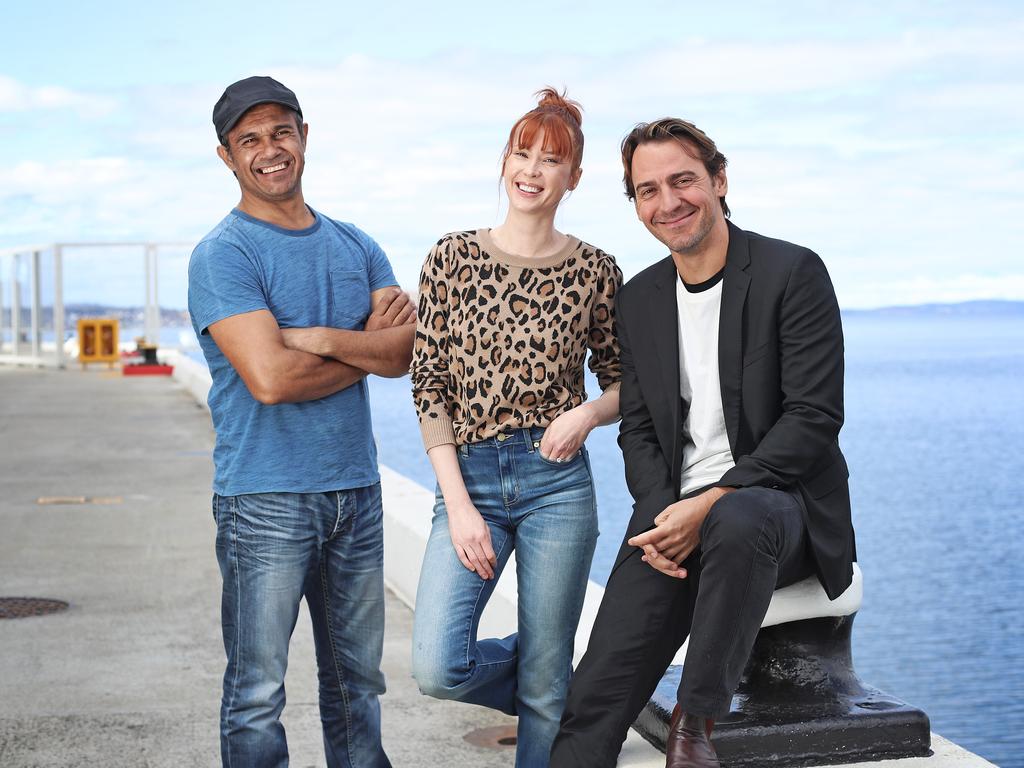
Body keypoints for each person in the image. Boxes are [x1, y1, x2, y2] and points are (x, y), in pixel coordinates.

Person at [549, 118, 855, 768]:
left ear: (718, 180)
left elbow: (813, 419)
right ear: (634, 204)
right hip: (675, 516)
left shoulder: (791, 272)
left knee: (739, 516)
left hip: (780, 511)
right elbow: (637, 429)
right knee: (592, 706)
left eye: (683, 180)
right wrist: (666, 512)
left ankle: (695, 724)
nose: (668, 202)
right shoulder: (638, 300)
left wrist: (710, 501)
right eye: (647, 190)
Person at [187, 75, 414, 768]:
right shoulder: (224, 254)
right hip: (265, 499)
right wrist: (361, 349)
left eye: (280, 132)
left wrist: (315, 338)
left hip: (356, 492)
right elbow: (271, 379)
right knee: (257, 691)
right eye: (248, 140)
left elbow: (403, 352)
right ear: (227, 157)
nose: (269, 150)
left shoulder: (356, 244)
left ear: (304, 136)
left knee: (358, 687)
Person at [409, 88, 623, 767]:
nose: (531, 169)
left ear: (574, 178)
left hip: (556, 483)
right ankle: (550, 670)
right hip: (467, 475)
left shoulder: (595, 270)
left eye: (550, 160)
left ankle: (549, 676)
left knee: (543, 693)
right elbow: (429, 387)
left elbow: (625, 380)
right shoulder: (451, 258)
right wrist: (461, 506)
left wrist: (587, 413)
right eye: (521, 152)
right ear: (504, 161)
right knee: (439, 667)